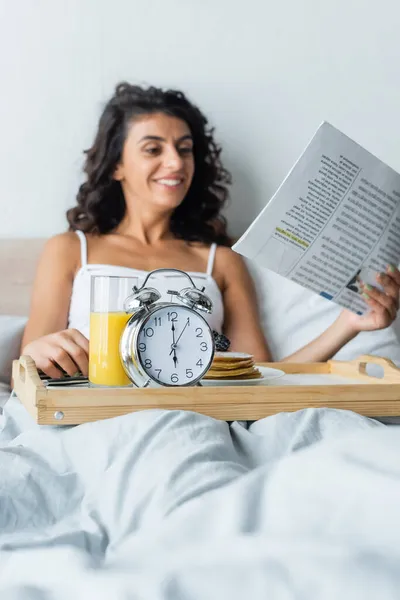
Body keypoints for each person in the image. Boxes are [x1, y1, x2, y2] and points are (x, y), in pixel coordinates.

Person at [21, 83, 400, 379]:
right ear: (116, 166)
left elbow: (265, 379)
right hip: (97, 414)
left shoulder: (220, 260)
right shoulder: (70, 250)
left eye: (184, 149)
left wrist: (349, 325)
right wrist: (41, 355)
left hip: (196, 420)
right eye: (153, 149)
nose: (175, 162)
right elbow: (30, 363)